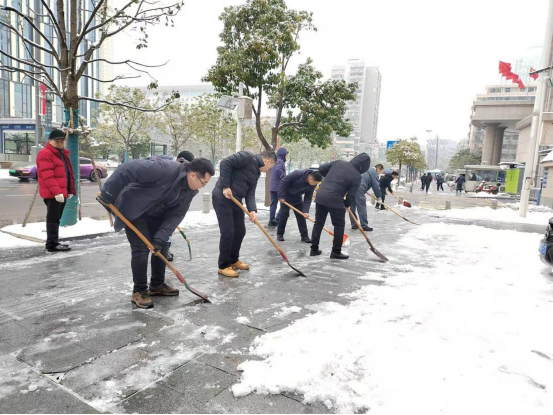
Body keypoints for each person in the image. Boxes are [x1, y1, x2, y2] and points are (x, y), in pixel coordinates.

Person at [100, 157, 214, 309]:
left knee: (163, 244)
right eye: (203, 182)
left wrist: (161, 236)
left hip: (157, 214)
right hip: (136, 208)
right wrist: (108, 193)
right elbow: (126, 169)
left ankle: (157, 285)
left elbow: (176, 215)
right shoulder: (164, 168)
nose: (203, 187)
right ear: (193, 175)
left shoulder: (189, 191)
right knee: (141, 248)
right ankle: (139, 291)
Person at [213, 150, 276, 278]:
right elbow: (225, 163)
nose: (269, 170)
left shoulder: (256, 173)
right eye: (270, 167)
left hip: (236, 201)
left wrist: (252, 210)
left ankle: (233, 259)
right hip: (222, 197)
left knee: (240, 231)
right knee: (228, 233)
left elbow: (250, 192)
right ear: (267, 161)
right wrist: (225, 186)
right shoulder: (247, 157)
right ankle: (223, 265)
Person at [310, 153, 371, 260]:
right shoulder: (357, 176)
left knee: (318, 223)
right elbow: (351, 195)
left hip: (321, 195)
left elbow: (321, 168)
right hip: (334, 198)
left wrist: (330, 177)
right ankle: (336, 252)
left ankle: (314, 249)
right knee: (339, 225)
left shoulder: (339, 163)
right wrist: (347, 204)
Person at [36, 129, 77, 253]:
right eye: (57, 141)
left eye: (62, 140)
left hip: (61, 192)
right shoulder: (46, 154)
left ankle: (54, 241)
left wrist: (69, 190)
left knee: (56, 218)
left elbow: (67, 173)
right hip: (53, 193)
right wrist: (57, 192)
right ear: (50, 141)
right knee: (53, 218)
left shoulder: (62, 153)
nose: (60, 143)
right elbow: (48, 176)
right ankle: (52, 244)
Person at [276, 169, 323, 242]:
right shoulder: (297, 174)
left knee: (301, 217)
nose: (315, 185)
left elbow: (308, 198)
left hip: (297, 199)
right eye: (314, 183)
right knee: (284, 215)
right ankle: (280, 234)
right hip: (286, 198)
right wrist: (281, 196)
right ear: (310, 178)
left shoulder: (313, 185)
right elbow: (283, 182)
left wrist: (306, 211)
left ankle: (304, 237)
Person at [350, 164, 383, 231]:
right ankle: (364, 225)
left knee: (352, 207)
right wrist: (379, 198)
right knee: (361, 207)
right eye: (381, 171)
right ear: (379, 168)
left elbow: (365, 180)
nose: (380, 173)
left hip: (351, 187)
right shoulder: (373, 172)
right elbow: (376, 186)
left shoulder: (367, 169)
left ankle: (354, 224)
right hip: (359, 187)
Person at [269, 148, 289, 227]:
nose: (287, 156)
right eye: (286, 154)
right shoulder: (280, 161)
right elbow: (278, 170)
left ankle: (271, 220)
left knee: (273, 204)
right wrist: (285, 178)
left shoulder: (275, 161)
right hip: (279, 187)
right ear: (283, 154)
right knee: (284, 203)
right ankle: (277, 219)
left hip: (273, 187)